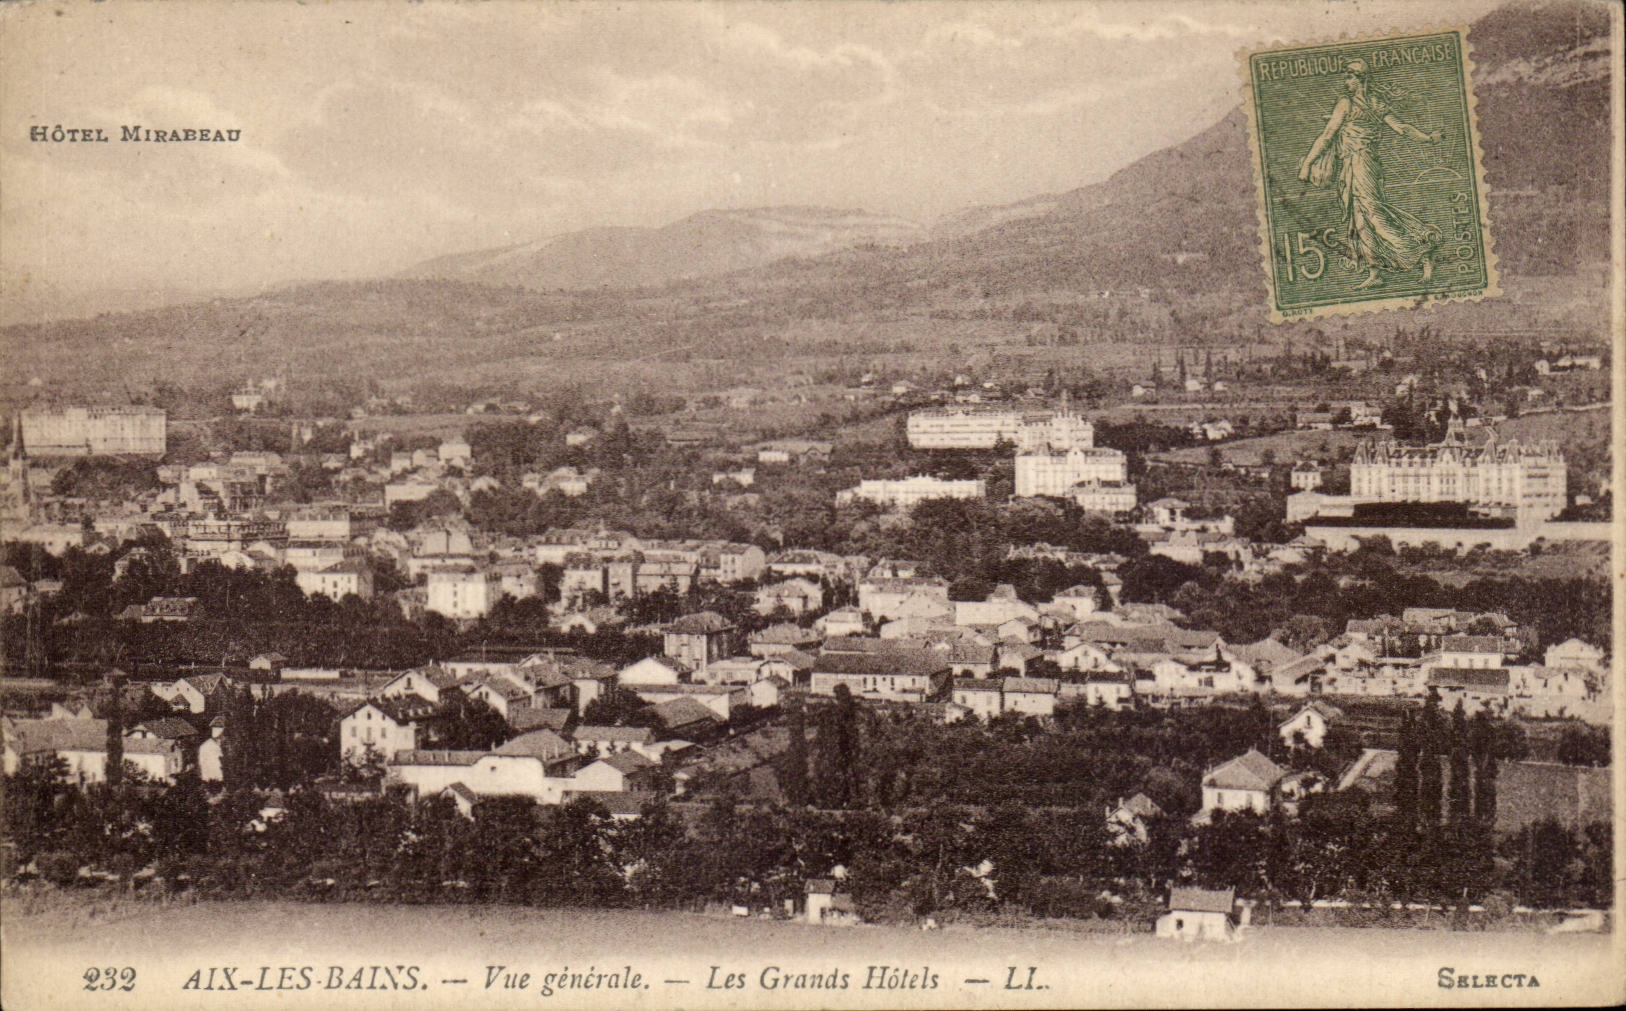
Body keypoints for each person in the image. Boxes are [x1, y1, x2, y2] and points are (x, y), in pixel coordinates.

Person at [1297, 59, 1442, 289]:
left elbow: (1326, 136)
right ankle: (1375, 272)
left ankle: (1423, 249)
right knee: (1360, 218)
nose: (1346, 82)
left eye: (1349, 77)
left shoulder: (1346, 103)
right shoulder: (1377, 104)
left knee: (1373, 215)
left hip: (1360, 164)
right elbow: (1401, 128)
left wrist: (1307, 164)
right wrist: (1428, 138)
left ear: (1359, 79)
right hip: (1361, 164)